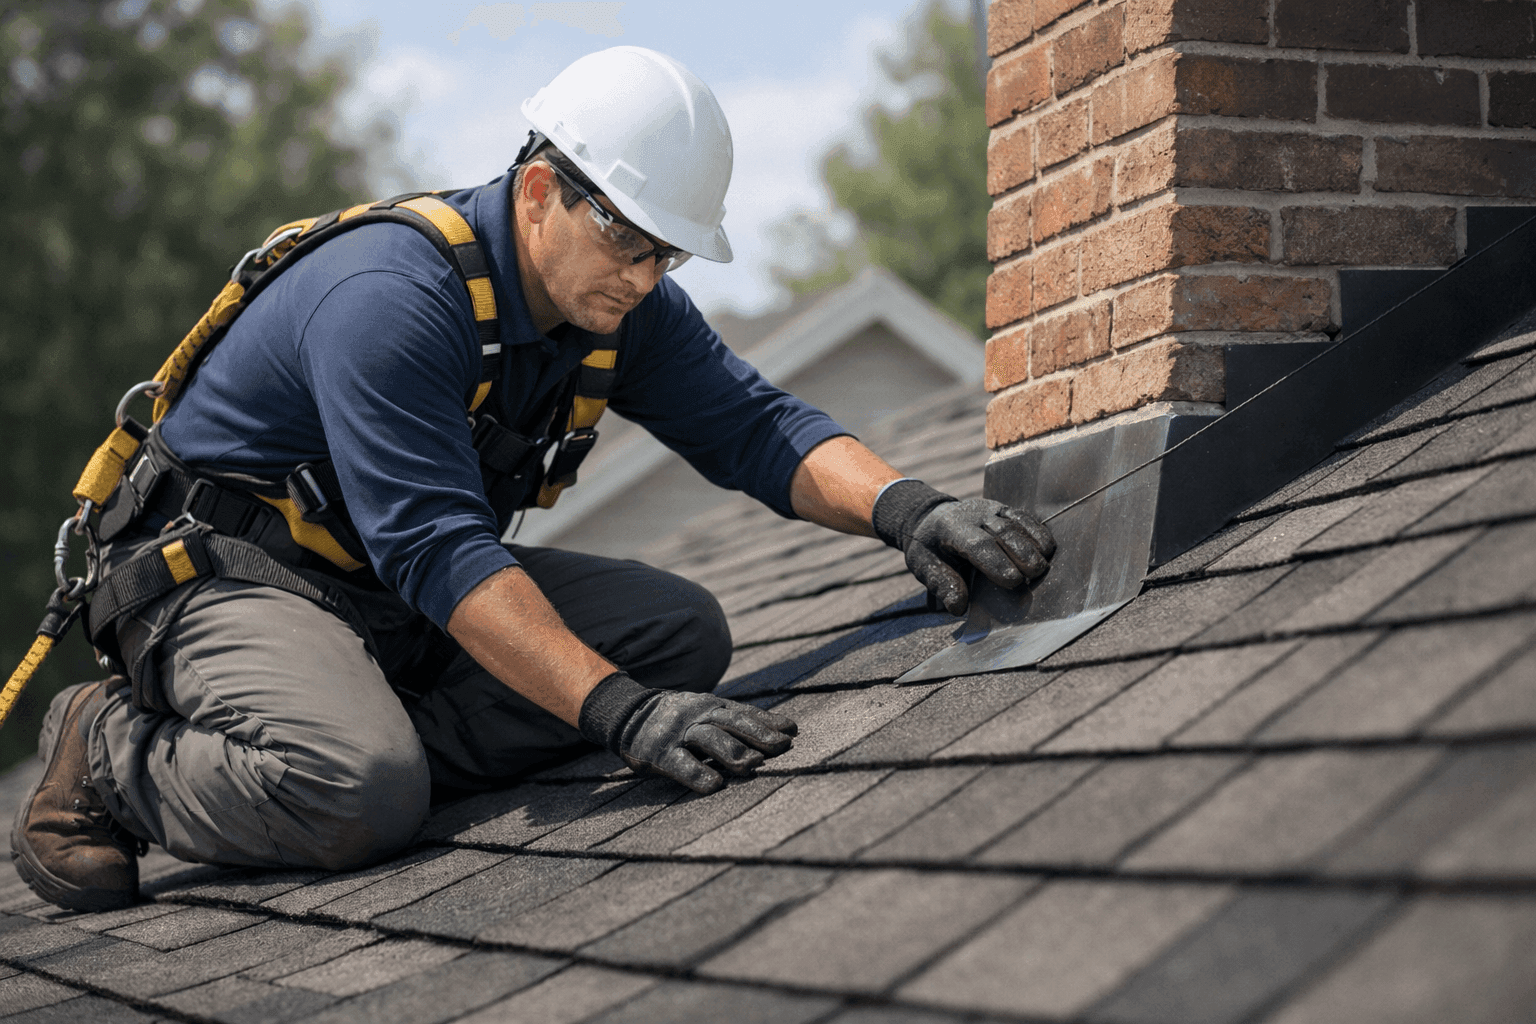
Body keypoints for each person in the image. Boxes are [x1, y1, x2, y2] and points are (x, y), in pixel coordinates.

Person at [12, 46, 1054, 912]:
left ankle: (349, 722)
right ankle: (106, 747)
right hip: (220, 582)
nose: (644, 278)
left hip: (375, 598)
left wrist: (910, 507)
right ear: (545, 189)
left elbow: (754, 425)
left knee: (678, 636)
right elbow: (436, 549)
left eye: (668, 257)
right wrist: (620, 716)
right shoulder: (392, 297)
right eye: (629, 242)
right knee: (363, 792)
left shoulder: (612, 307)